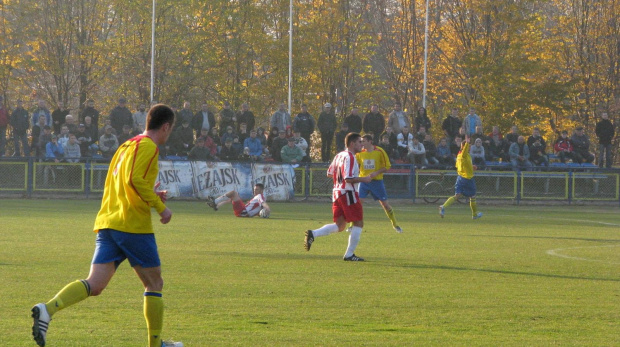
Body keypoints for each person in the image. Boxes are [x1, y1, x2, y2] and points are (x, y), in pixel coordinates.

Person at [32, 105, 182, 347]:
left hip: (109, 222)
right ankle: (156, 345)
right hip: (132, 225)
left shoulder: (126, 145)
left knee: (95, 284)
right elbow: (134, 180)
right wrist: (159, 206)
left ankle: (47, 309)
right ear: (165, 126)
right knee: (155, 283)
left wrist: (151, 193)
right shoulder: (149, 147)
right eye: (170, 129)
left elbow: (124, 182)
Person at [303, 132, 372, 261]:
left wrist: (339, 179)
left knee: (340, 226)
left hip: (337, 193)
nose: (361, 145)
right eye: (359, 142)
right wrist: (364, 179)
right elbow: (348, 178)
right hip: (348, 193)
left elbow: (330, 173)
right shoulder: (350, 157)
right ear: (352, 143)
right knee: (358, 222)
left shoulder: (339, 155)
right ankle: (349, 254)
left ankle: (313, 233)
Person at [356, 134, 402, 233]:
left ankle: (395, 224)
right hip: (364, 181)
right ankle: (352, 225)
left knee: (385, 204)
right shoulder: (359, 153)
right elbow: (355, 164)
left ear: (370, 141)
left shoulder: (379, 151)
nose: (362, 143)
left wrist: (376, 172)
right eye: (361, 141)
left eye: (363, 141)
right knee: (358, 203)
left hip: (377, 182)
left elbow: (387, 166)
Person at [439, 135, 483, 220]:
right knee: (473, 196)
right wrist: (467, 142)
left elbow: (461, 165)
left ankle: (443, 206)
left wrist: (471, 166)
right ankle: (474, 214)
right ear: (464, 147)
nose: (470, 148)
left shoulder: (459, 156)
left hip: (460, 178)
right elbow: (464, 153)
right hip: (468, 178)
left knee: (457, 195)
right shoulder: (464, 154)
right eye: (469, 146)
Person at [206, 183, 270, 218]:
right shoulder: (259, 197)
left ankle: (215, 202)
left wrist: (267, 208)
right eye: (254, 189)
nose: (255, 191)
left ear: (261, 191)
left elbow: (263, 203)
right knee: (232, 197)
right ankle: (217, 206)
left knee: (233, 193)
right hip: (244, 212)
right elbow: (259, 208)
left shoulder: (260, 196)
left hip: (243, 211)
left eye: (257, 189)